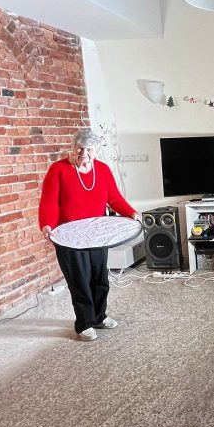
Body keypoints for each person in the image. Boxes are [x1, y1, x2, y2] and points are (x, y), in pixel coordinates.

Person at [39, 129, 138, 341]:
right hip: (69, 237)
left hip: (96, 234)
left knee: (100, 278)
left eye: (89, 150)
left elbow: (114, 198)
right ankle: (84, 323)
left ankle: (99, 316)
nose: (84, 154)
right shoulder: (58, 170)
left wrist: (130, 212)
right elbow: (49, 202)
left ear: (97, 151)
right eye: (80, 149)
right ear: (73, 148)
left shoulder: (102, 170)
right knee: (80, 281)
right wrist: (46, 224)